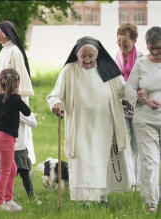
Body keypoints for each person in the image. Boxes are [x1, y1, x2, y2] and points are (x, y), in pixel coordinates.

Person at [46, 36, 144, 206]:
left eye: (91, 56)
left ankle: (101, 198)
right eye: (83, 56)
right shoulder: (69, 70)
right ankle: (86, 200)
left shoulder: (108, 69)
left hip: (104, 125)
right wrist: (57, 103)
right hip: (79, 125)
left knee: (102, 161)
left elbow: (123, 90)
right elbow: (54, 94)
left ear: (97, 55)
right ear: (77, 55)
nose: (87, 60)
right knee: (83, 161)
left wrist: (138, 93)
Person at [0, 68, 31, 212]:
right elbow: (27, 112)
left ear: (0, 82)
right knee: (5, 171)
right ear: (17, 83)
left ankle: (8, 199)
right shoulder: (15, 99)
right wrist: (17, 96)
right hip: (6, 140)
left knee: (12, 169)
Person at [124, 26, 161, 213]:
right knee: (150, 161)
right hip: (145, 120)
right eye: (151, 47)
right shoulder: (141, 63)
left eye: (159, 48)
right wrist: (143, 100)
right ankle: (151, 202)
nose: (155, 52)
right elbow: (128, 89)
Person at [0, 21, 36, 169]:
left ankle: (22, 167)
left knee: (19, 137)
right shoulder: (3, 51)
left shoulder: (15, 52)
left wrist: (13, 96)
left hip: (15, 100)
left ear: (4, 33)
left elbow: (23, 81)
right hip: (4, 99)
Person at [115, 23, 143, 189]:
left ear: (134, 40)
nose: (121, 44)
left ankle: (139, 183)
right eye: (119, 41)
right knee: (124, 145)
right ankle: (130, 182)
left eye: (125, 41)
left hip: (139, 108)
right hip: (121, 108)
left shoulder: (141, 58)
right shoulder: (116, 58)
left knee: (137, 147)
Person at [0, 113, 40, 204]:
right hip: (17, 147)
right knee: (24, 174)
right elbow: (33, 123)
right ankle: (28, 197)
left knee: (5, 174)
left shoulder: (3, 107)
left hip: (6, 144)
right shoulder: (18, 111)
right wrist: (30, 113)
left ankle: (2, 198)